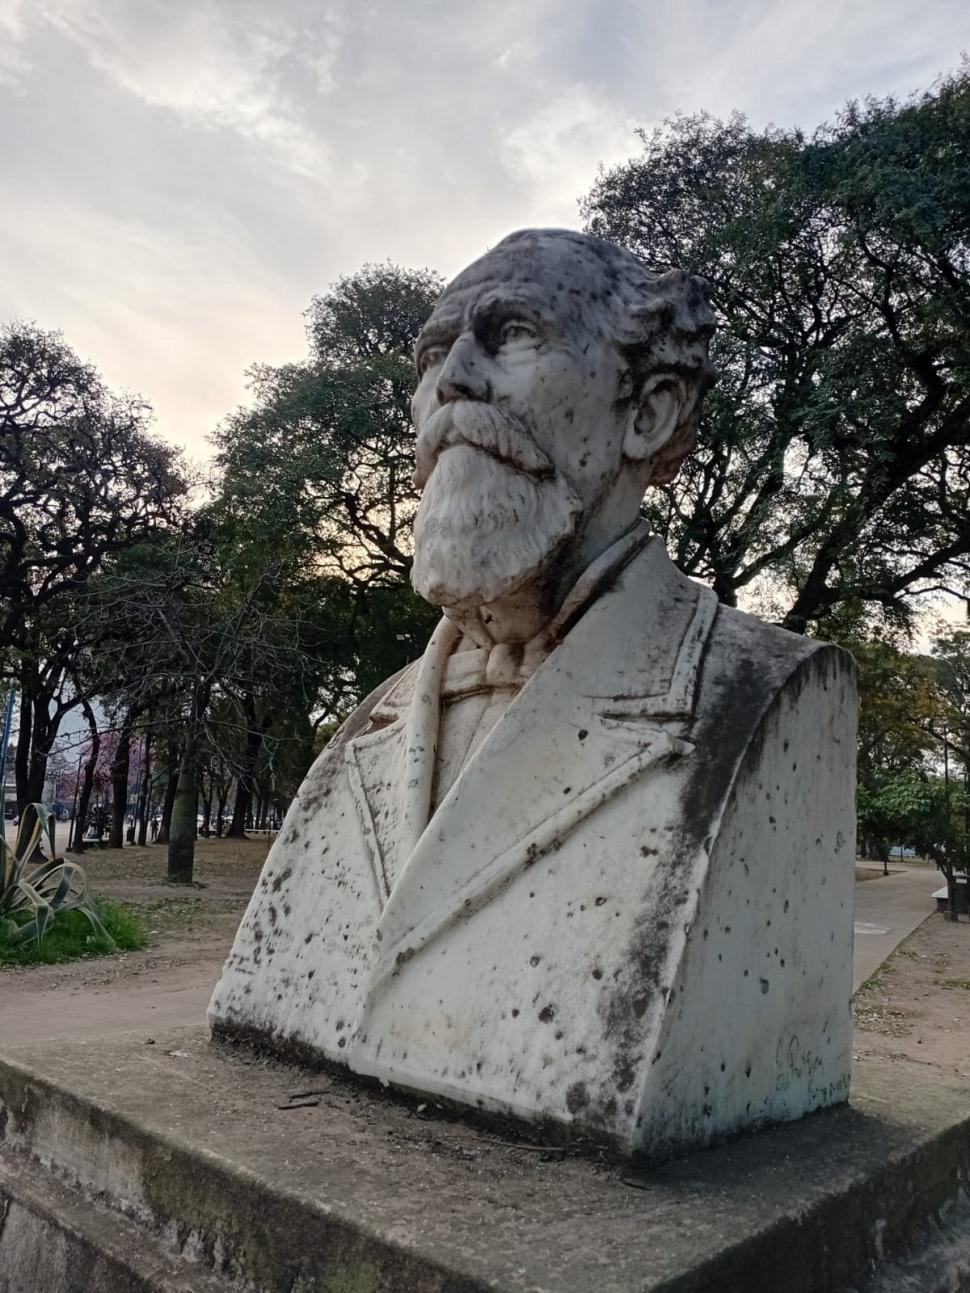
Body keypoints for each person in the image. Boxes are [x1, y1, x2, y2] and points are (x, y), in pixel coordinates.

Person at [210, 230, 856, 1161]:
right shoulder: (364, 733)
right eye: (432, 356)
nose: (452, 383)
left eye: (509, 333)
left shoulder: (768, 697)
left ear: (650, 409)